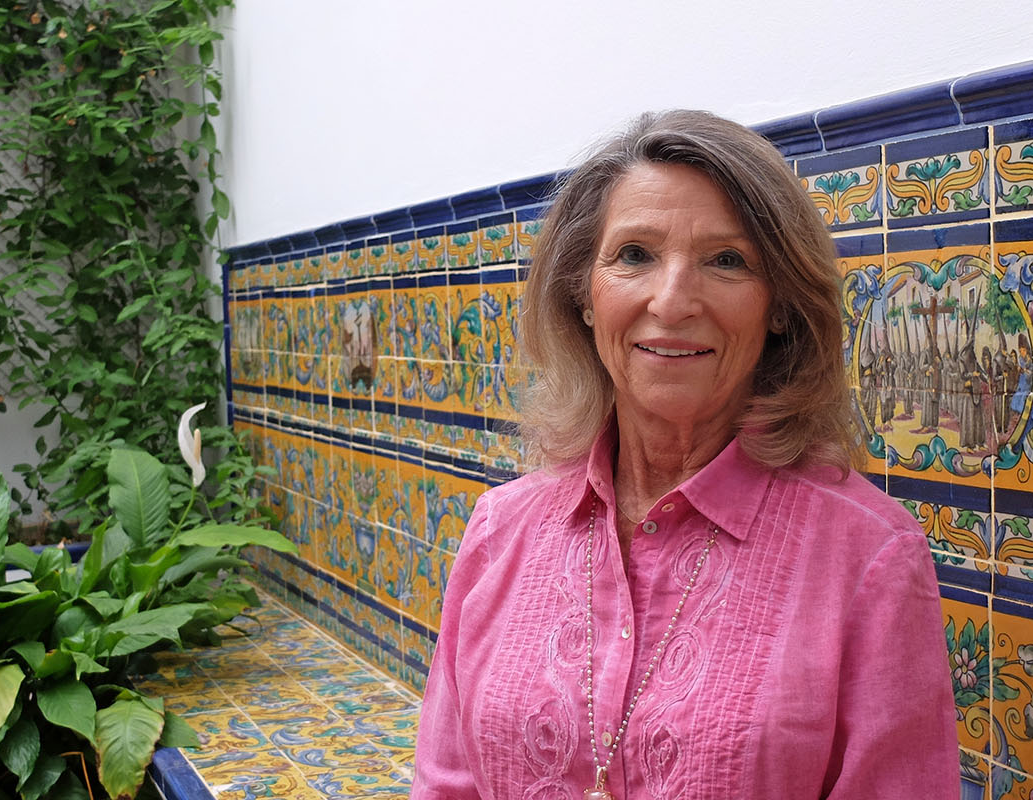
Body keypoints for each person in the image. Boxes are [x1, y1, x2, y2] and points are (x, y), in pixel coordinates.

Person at [410, 110, 958, 800]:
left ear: (781, 306)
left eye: (726, 261)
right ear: (584, 292)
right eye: (634, 255)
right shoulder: (500, 532)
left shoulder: (868, 556)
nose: (671, 301)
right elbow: (446, 784)